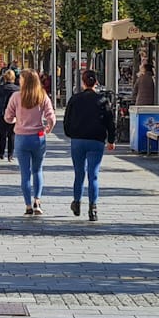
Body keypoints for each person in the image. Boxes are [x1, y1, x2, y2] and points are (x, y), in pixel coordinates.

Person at [63, 70, 116, 221]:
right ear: (96, 83)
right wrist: (111, 140)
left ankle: (77, 202)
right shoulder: (103, 100)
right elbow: (110, 122)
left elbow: (67, 120)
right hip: (96, 140)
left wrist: (70, 134)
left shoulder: (75, 99)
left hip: (78, 140)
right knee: (93, 175)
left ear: (83, 82)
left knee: (79, 173)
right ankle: (93, 208)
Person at [4, 69, 56, 215]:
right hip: (38, 136)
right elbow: (51, 117)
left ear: (23, 81)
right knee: (37, 170)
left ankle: (27, 205)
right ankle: (37, 201)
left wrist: (15, 120)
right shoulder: (42, 96)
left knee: (25, 173)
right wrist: (48, 128)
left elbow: (7, 117)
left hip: (21, 137)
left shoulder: (16, 96)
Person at [0, 69, 19, 162]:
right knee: (12, 135)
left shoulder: (0, 88)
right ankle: (10, 155)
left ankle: (1, 152)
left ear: (5, 78)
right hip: (14, 114)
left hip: (1, 114)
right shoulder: (18, 89)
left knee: (2, 135)